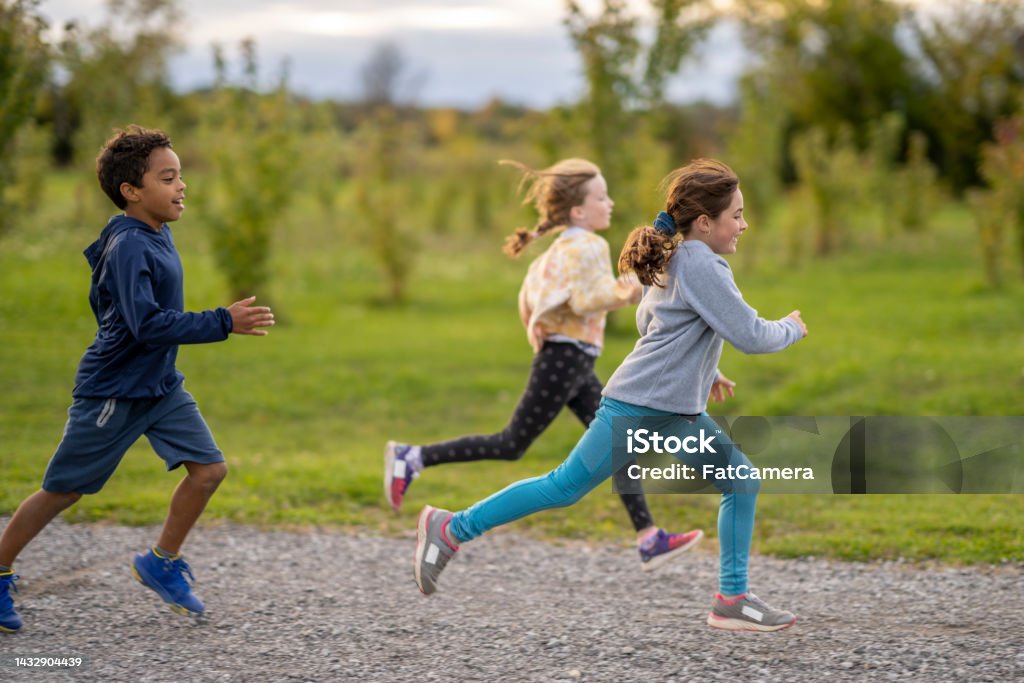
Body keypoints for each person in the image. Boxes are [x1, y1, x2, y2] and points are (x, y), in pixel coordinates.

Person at [412, 159, 808, 633]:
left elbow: (654, 323)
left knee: (740, 479)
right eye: (737, 215)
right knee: (564, 487)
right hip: (642, 410)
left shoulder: (677, 258)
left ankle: (732, 599)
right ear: (706, 222)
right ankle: (451, 528)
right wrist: (791, 327)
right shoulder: (702, 263)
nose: (743, 225)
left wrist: (706, 369)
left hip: (673, 411)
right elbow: (749, 334)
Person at [0, 125, 275, 632]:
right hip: (115, 389)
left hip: (160, 386)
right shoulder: (128, 244)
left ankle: (161, 562)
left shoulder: (155, 232)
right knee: (64, 489)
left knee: (209, 470)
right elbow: (143, 323)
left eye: (180, 176)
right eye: (167, 178)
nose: (181, 186)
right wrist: (222, 321)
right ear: (131, 191)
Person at [386, 158, 702, 571]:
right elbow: (587, 298)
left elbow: (531, 301)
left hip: (569, 359)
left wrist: (544, 332)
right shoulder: (589, 245)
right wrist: (628, 289)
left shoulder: (559, 250)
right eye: (601, 197)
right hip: (566, 359)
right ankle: (413, 458)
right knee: (513, 443)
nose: (610, 203)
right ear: (577, 211)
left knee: (617, 444)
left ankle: (648, 537)